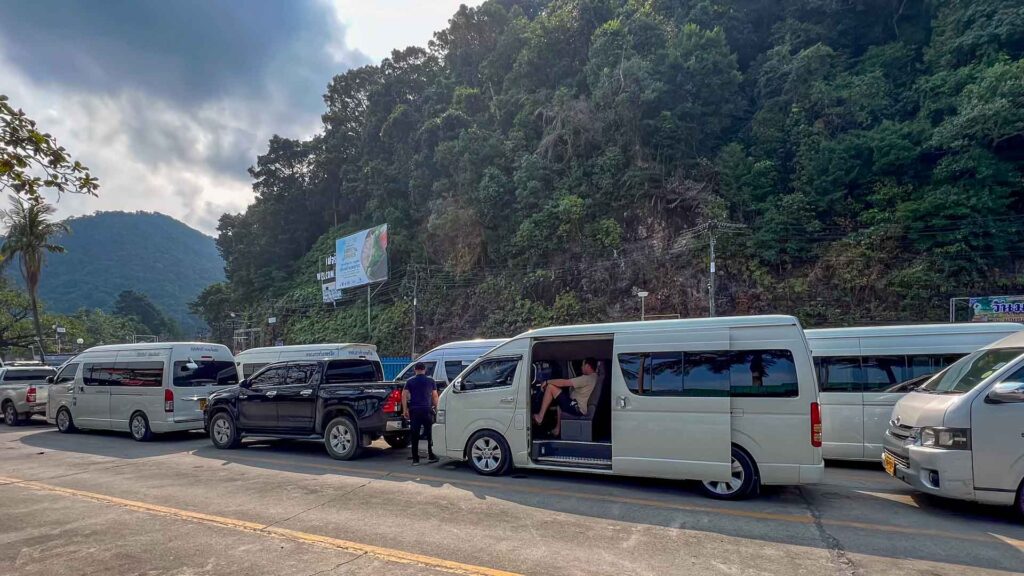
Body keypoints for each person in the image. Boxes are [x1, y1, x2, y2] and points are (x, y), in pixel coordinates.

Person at [533, 358, 598, 437]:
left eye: (583, 365)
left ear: (587, 366)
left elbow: (565, 383)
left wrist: (547, 381)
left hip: (577, 408)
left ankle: (540, 417)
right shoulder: (594, 377)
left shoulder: (586, 378)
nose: (581, 367)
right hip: (577, 406)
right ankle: (557, 429)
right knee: (560, 402)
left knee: (550, 387)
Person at [402, 362, 439, 465]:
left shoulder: (410, 381)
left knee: (415, 434)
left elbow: (404, 395)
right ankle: (431, 455)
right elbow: (435, 396)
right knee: (430, 434)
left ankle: (415, 459)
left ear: (415, 370)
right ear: (425, 370)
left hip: (414, 411)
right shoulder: (431, 381)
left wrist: (405, 409)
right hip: (427, 410)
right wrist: (437, 408)